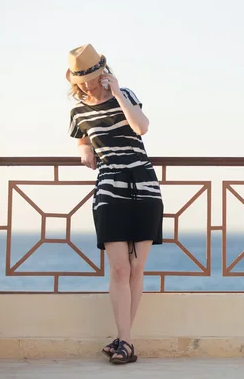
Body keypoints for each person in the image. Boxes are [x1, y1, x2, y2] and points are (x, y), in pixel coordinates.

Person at [65, 44, 163, 364]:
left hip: (144, 185)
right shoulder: (78, 111)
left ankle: (124, 341)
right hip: (109, 189)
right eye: (83, 80)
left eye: (94, 77)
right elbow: (83, 144)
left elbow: (141, 127)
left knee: (137, 268)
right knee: (119, 267)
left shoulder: (127, 95)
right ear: (75, 82)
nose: (89, 85)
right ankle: (127, 342)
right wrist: (84, 152)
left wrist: (118, 93)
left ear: (104, 73)